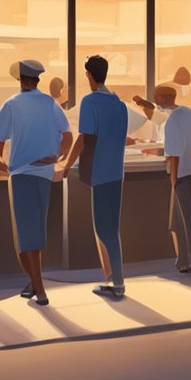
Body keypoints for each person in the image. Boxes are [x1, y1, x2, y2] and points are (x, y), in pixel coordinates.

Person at [0, 59, 71, 306]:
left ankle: (40, 289)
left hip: (21, 174)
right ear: (37, 80)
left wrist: (7, 168)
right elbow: (68, 137)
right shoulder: (51, 104)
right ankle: (33, 282)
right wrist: (56, 157)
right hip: (45, 173)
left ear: (20, 80)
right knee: (35, 230)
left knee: (25, 234)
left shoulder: (11, 105)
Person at [60, 56, 128, 298]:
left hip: (99, 173)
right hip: (117, 173)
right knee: (112, 228)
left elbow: (84, 139)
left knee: (103, 229)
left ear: (88, 74)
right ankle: (114, 279)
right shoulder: (120, 105)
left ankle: (117, 282)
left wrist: (67, 165)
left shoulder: (90, 102)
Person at [156, 85, 191, 274]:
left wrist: (173, 179)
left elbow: (174, 153)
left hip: (181, 173)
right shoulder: (189, 113)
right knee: (187, 217)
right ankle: (186, 258)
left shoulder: (172, 120)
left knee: (183, 219)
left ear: (160, 98)